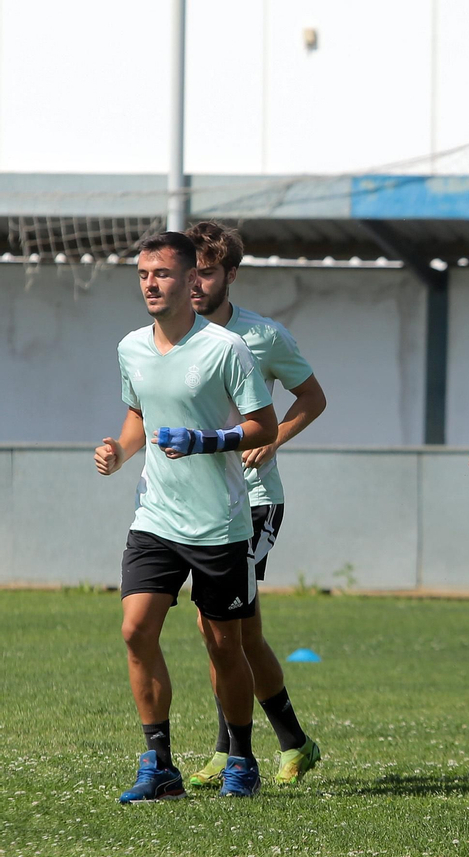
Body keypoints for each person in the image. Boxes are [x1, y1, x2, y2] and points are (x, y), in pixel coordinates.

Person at [95, 231, 279, 802]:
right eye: (144, 274)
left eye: (163, 274)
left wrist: (205, 439)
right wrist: (120, 451)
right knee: (135, 629)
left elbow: (263, 427)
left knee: (225, 644)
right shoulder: (130, 348)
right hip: (155, 517)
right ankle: (159, 765)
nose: (152, 283)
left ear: (189, 278)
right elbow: (137, 418)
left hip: (220, 521)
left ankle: (242, 759)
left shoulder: (226, 348)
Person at [182, 221, 328, 788]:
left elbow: (312, 398)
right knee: (237, 634)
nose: (195, 282)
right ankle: (292, 741)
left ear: (230, 276)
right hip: (198, 503)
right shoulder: (174, 338)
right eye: (188, 270)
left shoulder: (262, 337)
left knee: (220, 627)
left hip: (255, 501)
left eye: (208, 271)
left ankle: (230, 752)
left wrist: (272, 437)